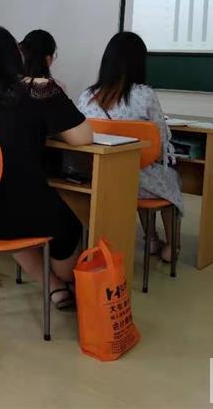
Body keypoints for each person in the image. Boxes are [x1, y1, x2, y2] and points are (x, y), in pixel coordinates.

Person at [0, 26, 93, 309]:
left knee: (11, 217)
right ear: (14, 56)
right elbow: (83, 137)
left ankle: (53, 288)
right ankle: (67, 281)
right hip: (23, 209)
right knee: (67, 227)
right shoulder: (40, 89)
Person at [76, 31, 183, 262]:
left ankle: (151, 238)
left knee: (142, 170)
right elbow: (161, 141)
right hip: (137, 181)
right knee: (167, 177)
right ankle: (171, 245)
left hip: (97, 177)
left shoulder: (87, 96)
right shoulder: (145, 95)